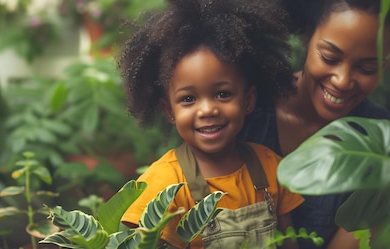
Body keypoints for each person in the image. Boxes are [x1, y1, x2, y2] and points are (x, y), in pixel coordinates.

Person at [238, 1, 390, 249]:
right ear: (308, 36)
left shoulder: (384, 149)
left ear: (387, 62)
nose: (342, 81)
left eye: (367, 67)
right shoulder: (245, 109)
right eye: (330, 57)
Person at [118, 0, 304, 248]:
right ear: (169, 111)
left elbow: (289, 240)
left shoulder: (270, 166)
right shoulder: (164, 182)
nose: (207, 110)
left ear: (248, 100)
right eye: (188, 99)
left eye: (223, 94)